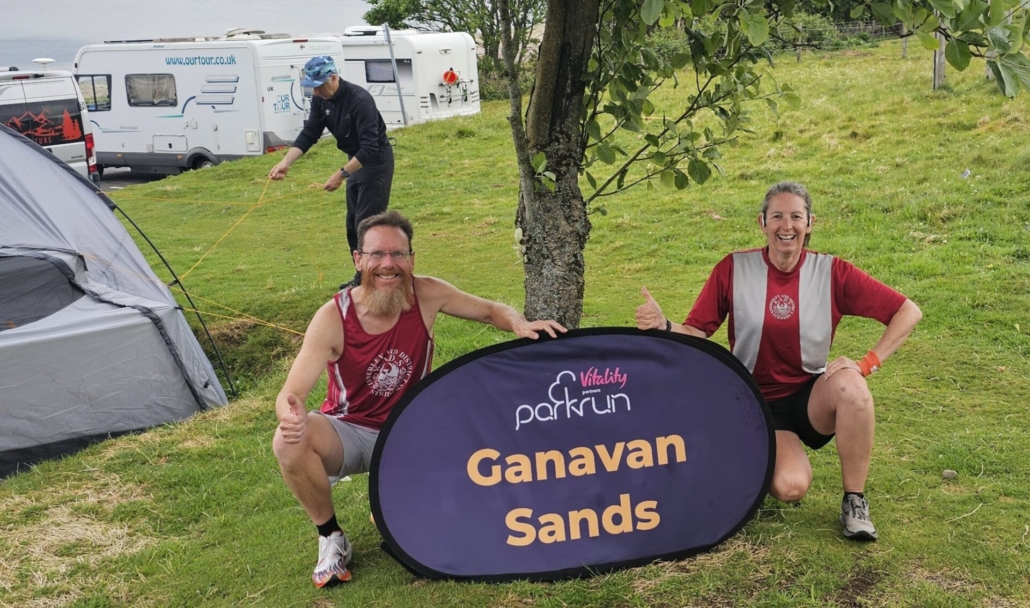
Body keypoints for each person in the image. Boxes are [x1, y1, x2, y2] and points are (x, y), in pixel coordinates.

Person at [273, 210, 566, 587]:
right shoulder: (333, 316)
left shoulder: (427, 293)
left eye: (398, 254)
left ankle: (397, 507)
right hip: (350, 430)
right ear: (358, 259)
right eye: (377, 254)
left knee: (426, 525)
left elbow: (491, 310)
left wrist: (519, 324)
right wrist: (290, 414)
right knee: (288, 442)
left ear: (411, 259)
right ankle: (331, 536)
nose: (388, 264)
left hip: (411, 429)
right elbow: (291, 394)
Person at [635, 181, 921, 542]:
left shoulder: (832, 272)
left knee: (854, 387)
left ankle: (855, 501)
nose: (787, 226)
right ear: (762, 223)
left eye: (796, 217)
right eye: (777, 217)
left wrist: (868, 362)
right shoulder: (733, 268)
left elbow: (907, 311)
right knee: (791, 487)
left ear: (810, 222)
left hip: (809, 398)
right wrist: (663, 324)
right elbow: (696, 332)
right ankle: (745, 453)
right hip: (752, 401)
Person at [269, 55, 394, 287]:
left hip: (375, 163)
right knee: (352, 224)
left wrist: (341, 175)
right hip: (354, 163)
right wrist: (286, 162)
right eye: (311, 88)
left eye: (319, 87)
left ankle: (376, 278)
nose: (315, 92)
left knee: (367, 224)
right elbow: (310, 133)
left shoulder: (360, 100)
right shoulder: (320, 101)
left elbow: (369, 148)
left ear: (333, 78)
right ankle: (362, 277)